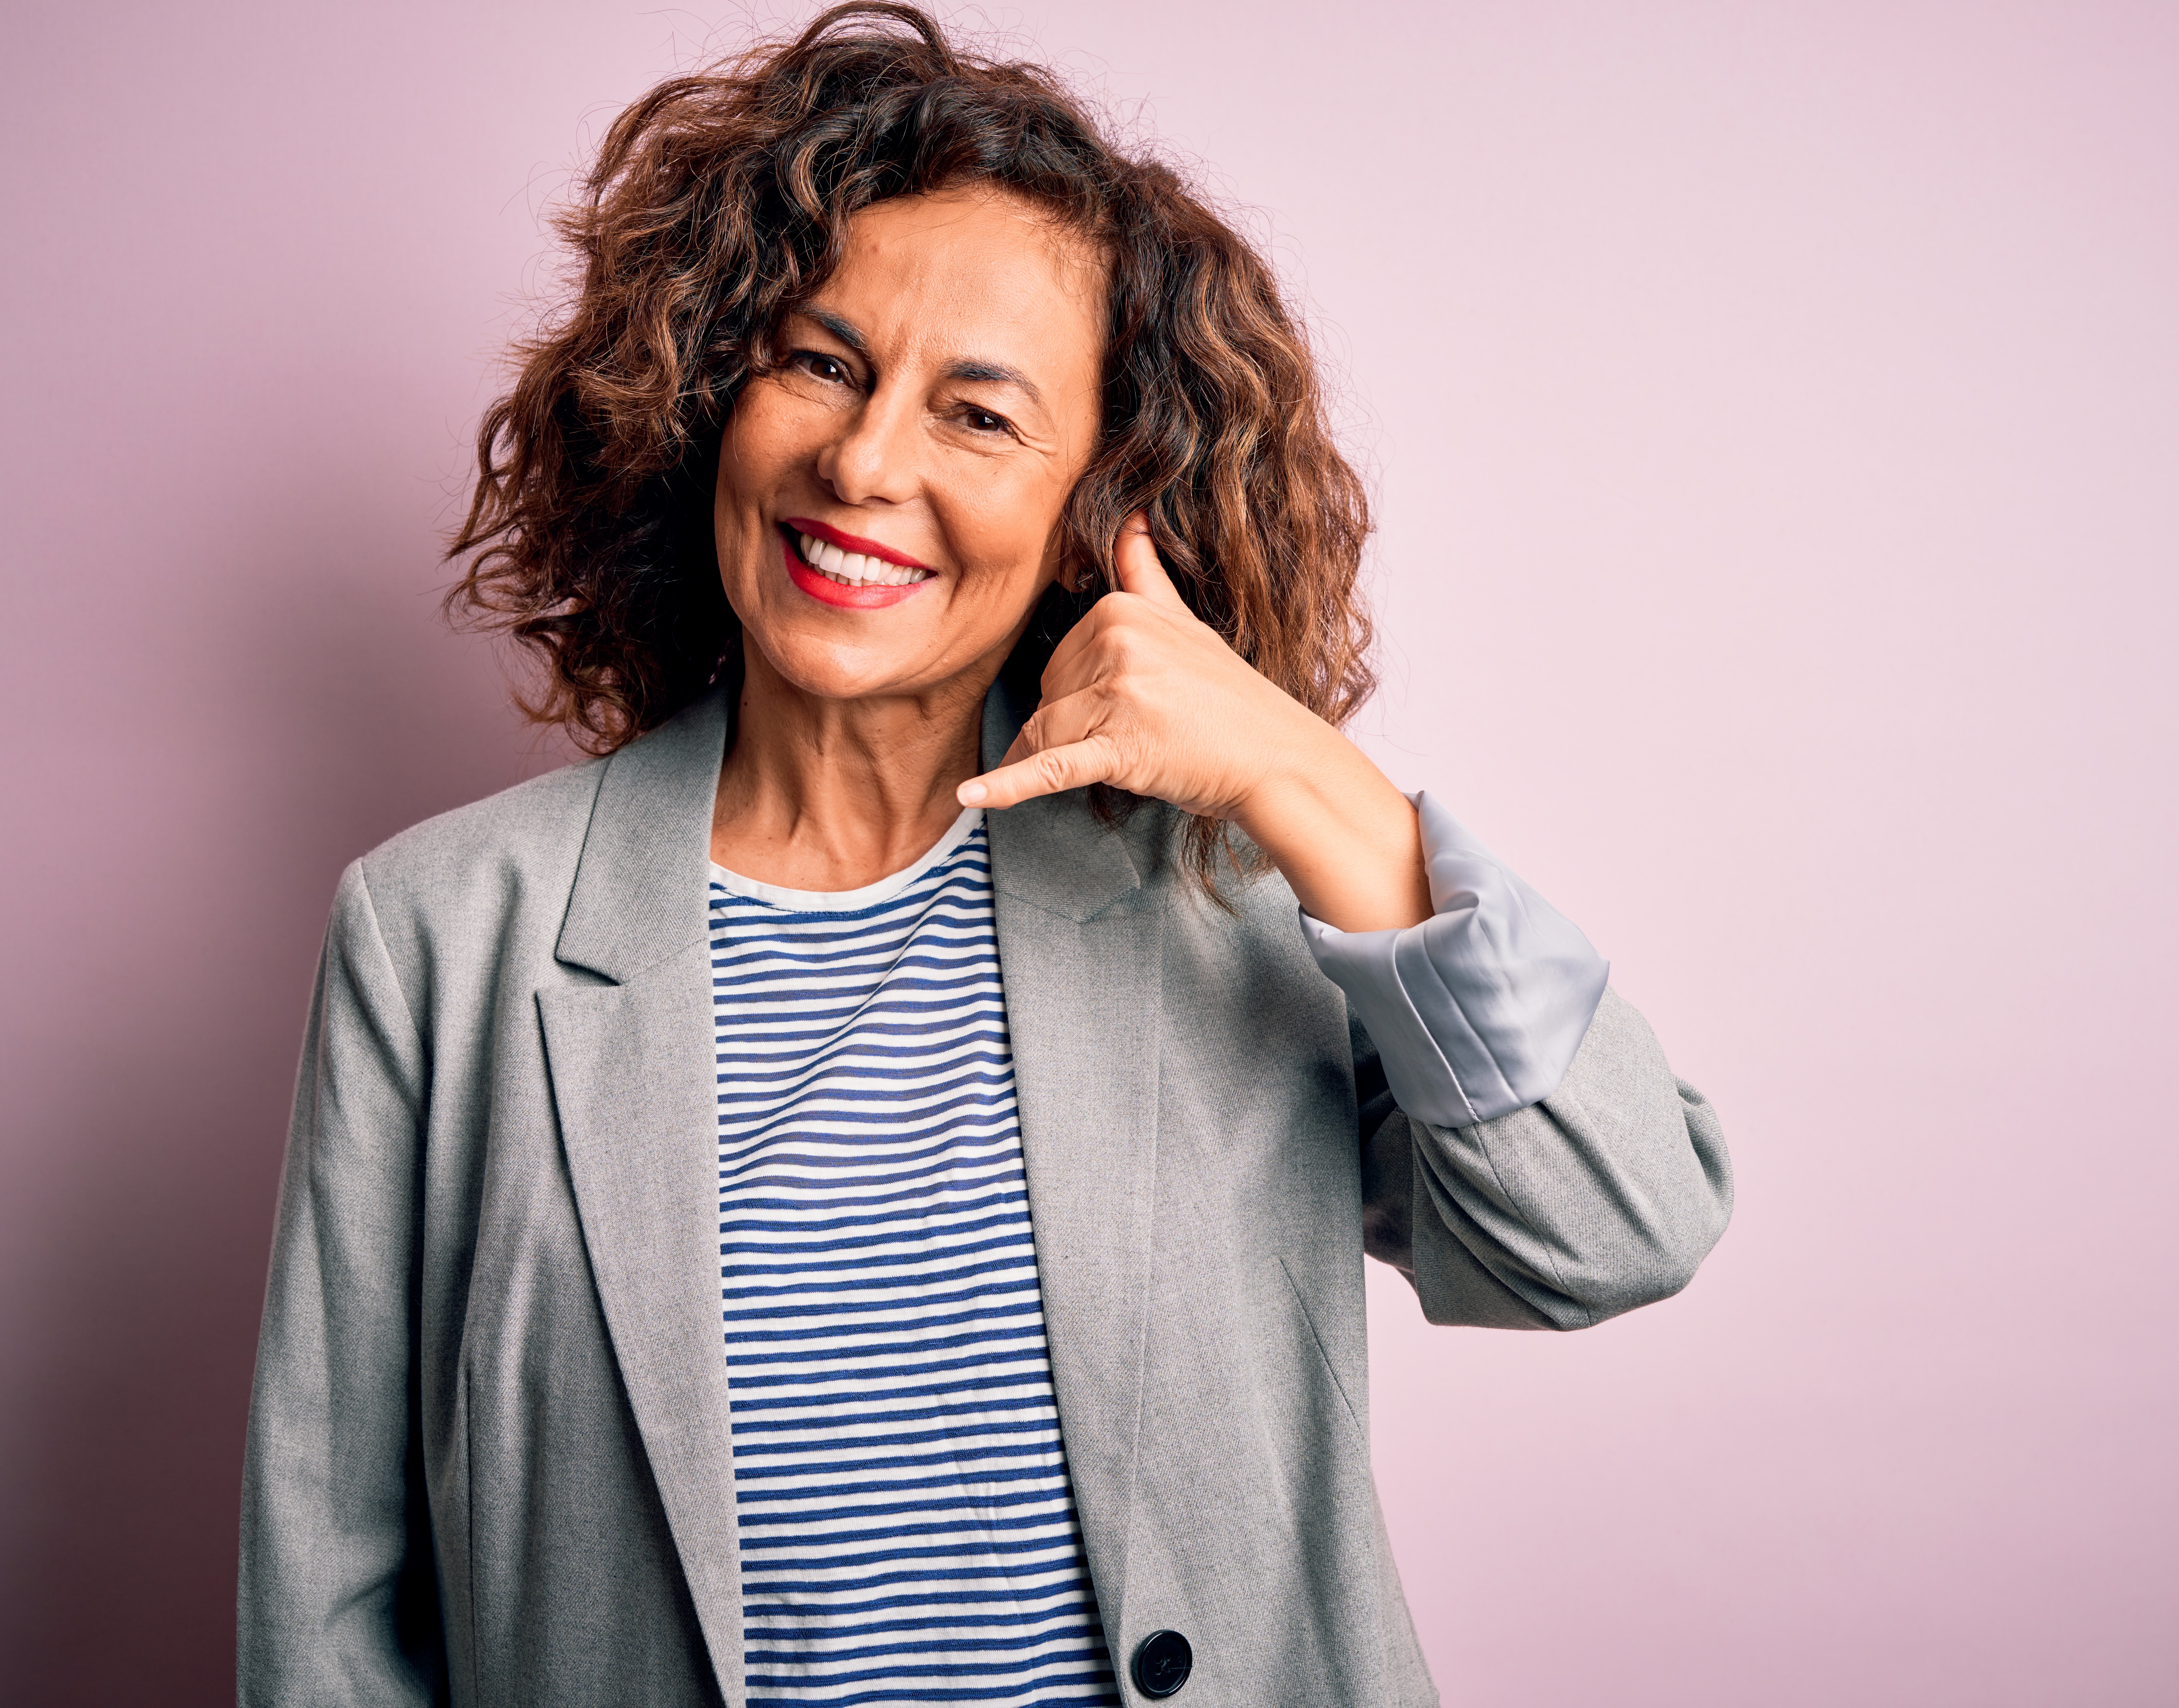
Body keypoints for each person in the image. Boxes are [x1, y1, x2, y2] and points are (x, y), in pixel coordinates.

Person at [238, 6, 1732, 1704]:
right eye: (820, 363)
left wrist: (1302, 770)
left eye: (978, 415)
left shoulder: (1228, 898)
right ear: (711, 392)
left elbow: (1617, 1228)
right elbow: (328, 1600)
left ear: (1102, 506)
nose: (864, 463)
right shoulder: (440, 936)